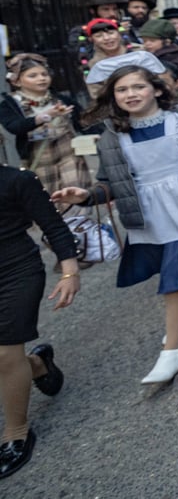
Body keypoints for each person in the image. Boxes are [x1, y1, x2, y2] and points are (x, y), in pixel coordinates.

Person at [53, 65, 178, 383]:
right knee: (167, 267)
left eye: (138, 87)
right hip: (146, 213)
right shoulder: (112, 136)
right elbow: (109, 184)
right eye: (122, 90)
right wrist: (84, 196)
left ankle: (172, 351)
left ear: (158, 90)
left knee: (175, 274)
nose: (130, 94)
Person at [0, 165, 80, 480]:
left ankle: (16, 432)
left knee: (5, 354)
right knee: (8, 360)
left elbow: (53, 225)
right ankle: (37, 364)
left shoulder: (16, 180)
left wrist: (70, 272)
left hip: (17, 273)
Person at [1, 53, 91, 198]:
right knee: (49, 200)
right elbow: (14, 127)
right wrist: (44, 117)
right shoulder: (11, 105)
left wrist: (95, 135)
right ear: (16, 81)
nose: (41, 78)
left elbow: (84, 121)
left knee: (76, 197)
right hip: (38, 160)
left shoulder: (61, 99)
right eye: (33, 76)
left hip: (69, 155)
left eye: (44, 74)